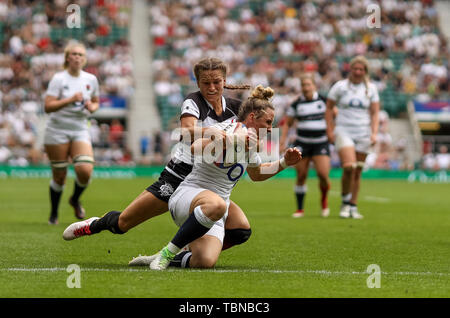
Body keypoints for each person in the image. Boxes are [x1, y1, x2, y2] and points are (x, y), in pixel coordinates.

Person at [63, 57, 254, 253]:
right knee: (123, 224)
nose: (212, 87)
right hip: (179, 176)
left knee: (239, 231)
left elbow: (258, 126)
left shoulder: (236, 108)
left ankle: (182, 253)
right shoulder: (194, 101)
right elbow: (187, 132)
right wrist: (220, 135)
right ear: (198, 83)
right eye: (206, 83)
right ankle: (95, 224)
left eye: (216, 82)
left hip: (209, 184)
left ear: (224, 81)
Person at [134, 85, 302, 270]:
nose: (270, 129)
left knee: (211, 255)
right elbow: (194, 147)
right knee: (217, 205)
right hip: (190, 196)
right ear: (252, 117)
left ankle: (170, 253)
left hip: (218, 207)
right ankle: (168, 253)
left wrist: (284, 162)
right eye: (268, 122)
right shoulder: (225, 129)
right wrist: (229, 142)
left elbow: (256, 174)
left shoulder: (253, 142)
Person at [44, 41, 99, 225]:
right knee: (59, 176)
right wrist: (69, 100)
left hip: (79, 127)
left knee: (85, 170)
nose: (77, 57)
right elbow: (48, 106)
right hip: (57, 128)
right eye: (74, 54)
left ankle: (75, 199)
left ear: (84, 59)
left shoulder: (91, 79)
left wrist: (92, 106)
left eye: (80, 54)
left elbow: (96, 101)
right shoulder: (59, 79)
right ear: (67, 58)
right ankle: (53, 214)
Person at [325, 55, 380, 219]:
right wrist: (330, 130)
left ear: (365, 71)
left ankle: (353, 206)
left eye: (361, 69)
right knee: (349, 167)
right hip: (344, 130)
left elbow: (375, 112)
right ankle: (345, 201)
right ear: (350, 70)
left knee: (358, 170)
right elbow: (329, 109)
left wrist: (374, 132)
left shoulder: (371, 89)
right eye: (355, 69)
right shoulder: (340, 87)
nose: (357, 72)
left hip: (363, 132)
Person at [280, 73, 331, 218]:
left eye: (308, 85)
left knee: (323, 175)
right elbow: (287, 123)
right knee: (301, 175)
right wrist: (282, 141)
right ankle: (300, 209)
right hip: (302, 143)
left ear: (314, 85)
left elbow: (334, 115)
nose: (306, 88)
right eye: (303, 85)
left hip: (321, 142)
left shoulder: (324, 100)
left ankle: (324, 199)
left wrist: (332, 131)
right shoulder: (296, 104)